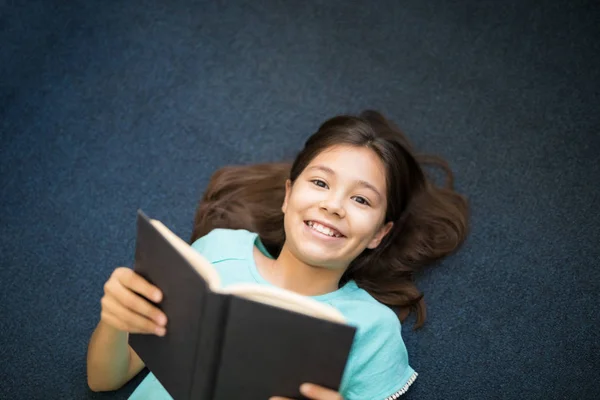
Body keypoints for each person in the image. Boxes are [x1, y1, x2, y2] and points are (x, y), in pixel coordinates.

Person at [86, 110, 469, 399]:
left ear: (380, 233)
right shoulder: (218, 250)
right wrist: (115, 321)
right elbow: (103, 380)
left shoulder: (373, 329)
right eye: (320, 182)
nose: (333, 205)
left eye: (361, 199)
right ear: (288, 196)